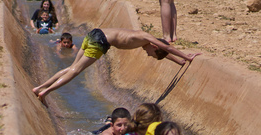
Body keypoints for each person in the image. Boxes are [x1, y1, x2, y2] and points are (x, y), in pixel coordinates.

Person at [33, 27, 197, 102]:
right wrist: (187, 57)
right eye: (152, 54)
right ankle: (45, 92)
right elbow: (166, 47)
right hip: (101, 42)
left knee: (70, 68)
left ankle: (38, 88)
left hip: (94, 33)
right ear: (155, 47)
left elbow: (165, 52)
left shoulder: (142, 40)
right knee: (75, 71)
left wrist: (180, 62)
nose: (148, 54)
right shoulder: (147, 38)